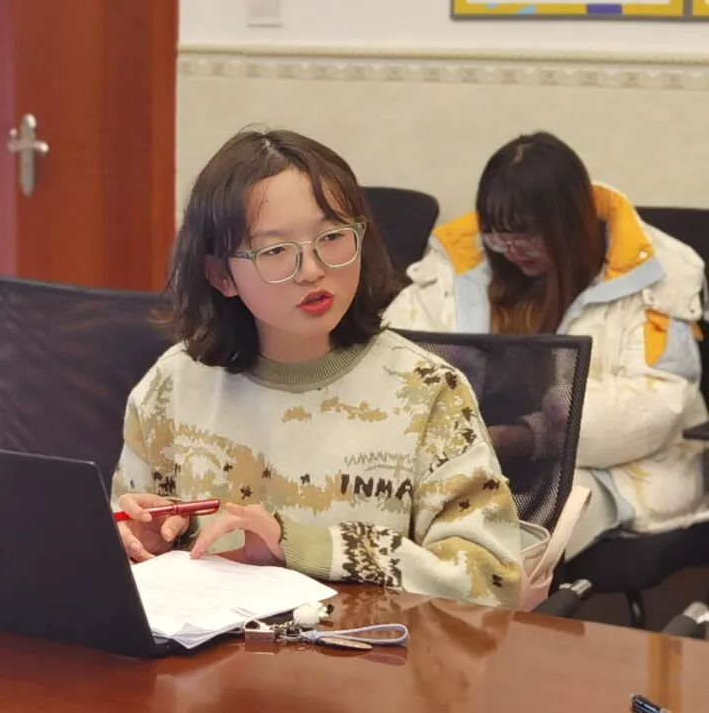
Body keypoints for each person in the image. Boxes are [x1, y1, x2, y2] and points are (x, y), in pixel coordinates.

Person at [112, 128, 523, 608]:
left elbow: (492, 581)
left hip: (369, 649)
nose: (312, 270)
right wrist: (144, 544)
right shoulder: (173, 388)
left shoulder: (428, 393)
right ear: (222, 276)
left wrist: (308, 549)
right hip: (212, 651)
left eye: (332, 237)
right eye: (275, 251)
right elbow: (126, 539)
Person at [384, 131, 709, 557]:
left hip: (612, 466)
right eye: (499, 237)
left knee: (511, 539)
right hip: (467, 455)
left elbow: (658, 403)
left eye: (529, 237)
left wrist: (531, 436)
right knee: (392, 511)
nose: (513, 251)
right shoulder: (461, 262)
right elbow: (396, 355)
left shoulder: (658, 275)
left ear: (571, 224)